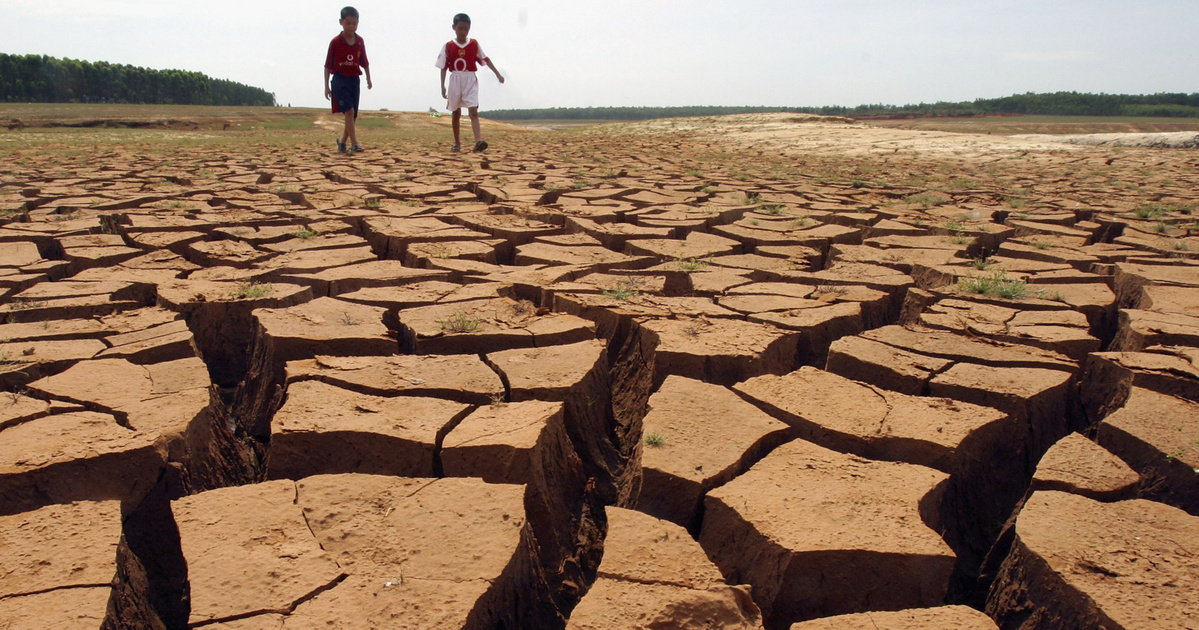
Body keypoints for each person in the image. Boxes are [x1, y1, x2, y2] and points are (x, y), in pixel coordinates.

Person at [436, 13, 504, 153]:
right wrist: (442, 85)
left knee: (473, 110)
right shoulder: (448, 46)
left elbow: (485, 59)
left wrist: (497, 73)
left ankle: (478, 141)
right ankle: (457, 143)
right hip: (455, 79)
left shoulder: (473, 44)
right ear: (454, 27)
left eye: (466, 29)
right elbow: (443, 67)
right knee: (456, 112)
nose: (463, 32)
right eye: (460, 28)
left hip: (470, 79)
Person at [324, 6, 372, 153]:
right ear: (341, 22)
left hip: (354, 80)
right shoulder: (335, 42)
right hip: (340, 80)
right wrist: (326, 86)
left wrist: (369, 79)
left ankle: (342, 140)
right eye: (348, 23)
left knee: (353, 115)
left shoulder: (359, 41)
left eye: (354, 23)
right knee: (349, 112)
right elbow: (327, 65)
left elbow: (364, 61)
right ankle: (355, 144)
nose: (351, 26)